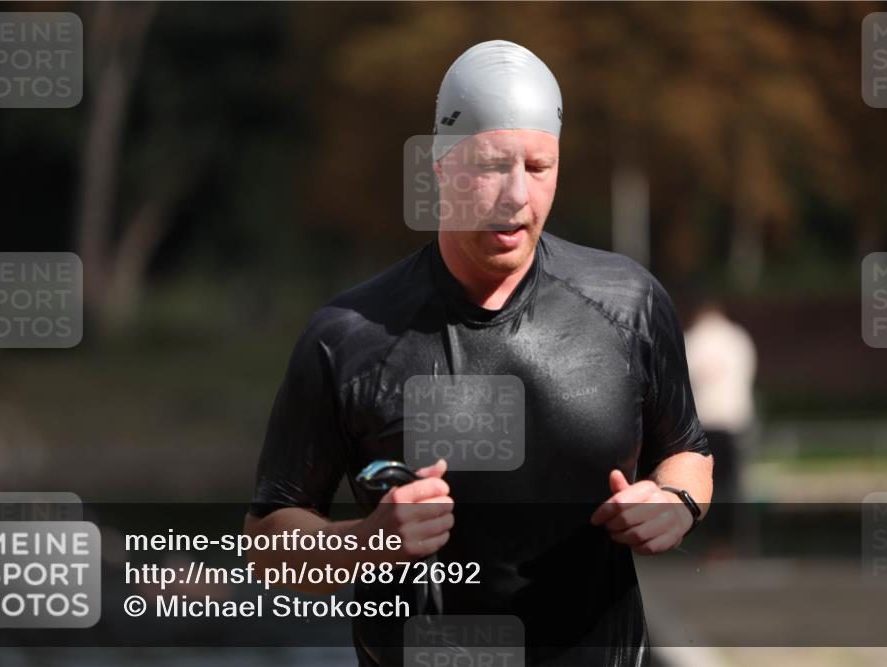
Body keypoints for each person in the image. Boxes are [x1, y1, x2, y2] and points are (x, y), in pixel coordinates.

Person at [244, 40, 713, 666]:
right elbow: (269, 543)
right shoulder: (349, 337)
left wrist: (675, 505)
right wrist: (367, 542)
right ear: (439, 165)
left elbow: (688, 450)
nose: (516, 195)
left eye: (538, 167)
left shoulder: (628, 304)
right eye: (492, 166)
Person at [684, 301, 756, 548]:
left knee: (704, 485)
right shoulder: (738, 338)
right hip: (732, 422)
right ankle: (732, 541)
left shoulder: (691, 340)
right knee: (731, 485)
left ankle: (711, 542)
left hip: (703, 424)